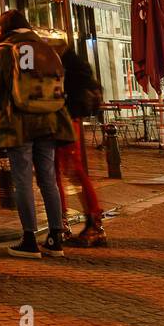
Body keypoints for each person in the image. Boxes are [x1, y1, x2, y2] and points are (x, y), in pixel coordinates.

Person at [0, 10, 71, 259]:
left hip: (18, 122)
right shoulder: (47, 48)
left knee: (22, 180)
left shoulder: (3, 50)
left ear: (4, 27)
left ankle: (29, 238)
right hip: (49, 120)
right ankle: (56, 237)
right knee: (48, 179)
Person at [46, 34, 108, 247]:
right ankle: (91, 222)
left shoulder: (67, 67)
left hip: (63, 121)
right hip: (71, 120)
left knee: (62, 172)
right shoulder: (78, 65)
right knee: (69, 171)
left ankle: (67, 222)